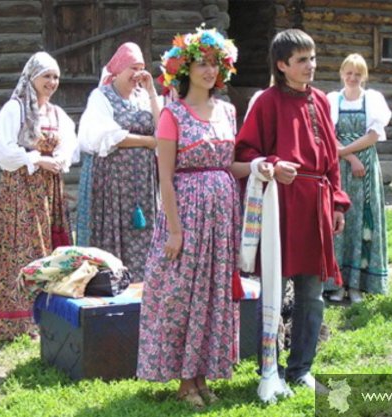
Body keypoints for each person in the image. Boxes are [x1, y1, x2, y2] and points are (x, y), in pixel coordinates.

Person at [136, 27, 249, 408]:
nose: (208, 70)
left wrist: (260, 167)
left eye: (215, 63)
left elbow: (228, 165)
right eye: (201, 63)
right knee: (182, 295)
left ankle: (203, 373)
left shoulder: (229, 111)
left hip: (221, 220)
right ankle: (184, 380)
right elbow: (165, 176)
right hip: (186, 215)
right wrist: (174, 230)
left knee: (214, 294)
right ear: (185, 69)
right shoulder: (173, 114)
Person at [235, 29, 351, 390]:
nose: (310, 66)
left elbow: (331, 159)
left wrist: (336, 202)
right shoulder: (266, 102)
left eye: (313, 58)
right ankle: (269, 368)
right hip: (281, 204)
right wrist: (272, 163)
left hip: (315, 203)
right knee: (274, 286)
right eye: (302, 60)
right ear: (282, 65)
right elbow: (244, 153)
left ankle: (301, 369)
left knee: (312, 293)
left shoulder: (321, 101)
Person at [0, 52, 77, 340]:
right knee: (22, 247)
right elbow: (4, 152)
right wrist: (36, 160)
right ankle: (17, 321)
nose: (52, 82)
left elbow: (70, 141)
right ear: (31, 77)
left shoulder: (57, 113)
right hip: (21, 189)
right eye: (46, 76)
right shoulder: (15, 109)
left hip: (50, 191)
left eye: (55, 77)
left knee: (52, 248)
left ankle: (52, 318)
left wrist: (60, 158)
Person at [75, 42, 160, 281]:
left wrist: (152, 91)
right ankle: (110, 284)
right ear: (120, 69)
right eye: (133, 68)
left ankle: (143, 285)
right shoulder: (102, 97)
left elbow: (163, 128)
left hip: (142, 181)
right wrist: (147, 141)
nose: (138, 74)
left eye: (142, 68)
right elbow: (106, 135)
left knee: (141, 231)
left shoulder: (144, 98)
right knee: (114, 231)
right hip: (111, 182)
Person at [324, 53, 392, 303]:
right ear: (342, 74)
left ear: (364, 76)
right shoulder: (332, 99)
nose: (352, 78)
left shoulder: (373, 100)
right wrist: (347, 156)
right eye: (348, 73)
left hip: (365, 165)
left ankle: (358, 284)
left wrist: (347, 153)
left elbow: (374, 134)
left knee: (364, 218)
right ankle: (337, 283)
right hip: (341, 166)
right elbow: (328, 133)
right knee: (339, 219)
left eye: (357, 74)